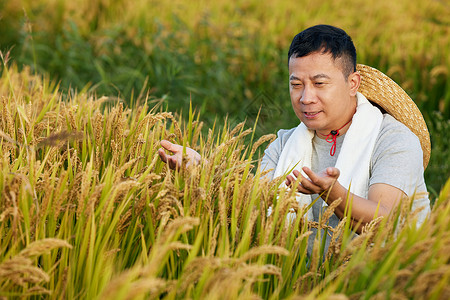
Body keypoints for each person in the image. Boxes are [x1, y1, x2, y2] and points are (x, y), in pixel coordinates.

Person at [158, 25, 431, 253]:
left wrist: (331, 193)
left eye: (319, 83)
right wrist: (204, 170)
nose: (305, 97)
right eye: (296, 84)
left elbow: (385, 222)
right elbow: (254, 204)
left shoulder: (394, 139)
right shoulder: (285, 143)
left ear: (353, 84)